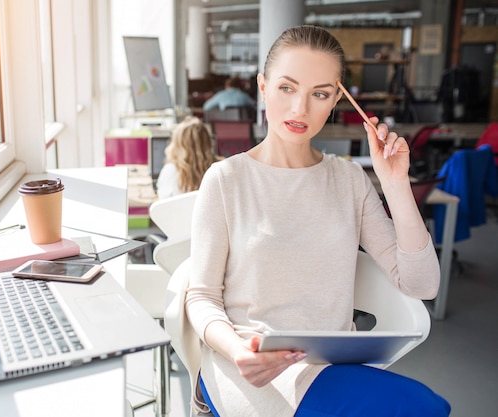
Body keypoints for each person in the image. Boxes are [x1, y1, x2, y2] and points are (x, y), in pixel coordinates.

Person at [185, 25, 451, 416]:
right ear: (263, 86)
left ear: (336, 100)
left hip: (328, 367)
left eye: (320, 94)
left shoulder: (348, 180)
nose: (299, 109)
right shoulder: (226, 180)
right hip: (249, 366)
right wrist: (237, 351)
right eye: (287, 88)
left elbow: (423, 284)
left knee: (426, 407)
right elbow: (202, 296)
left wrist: (395, 184)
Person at [155, 116, 221, 200]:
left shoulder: (170, 171)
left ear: (177, 144)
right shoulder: (219, 169)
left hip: (178, 213)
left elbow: (162, 205)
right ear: (207, 141)